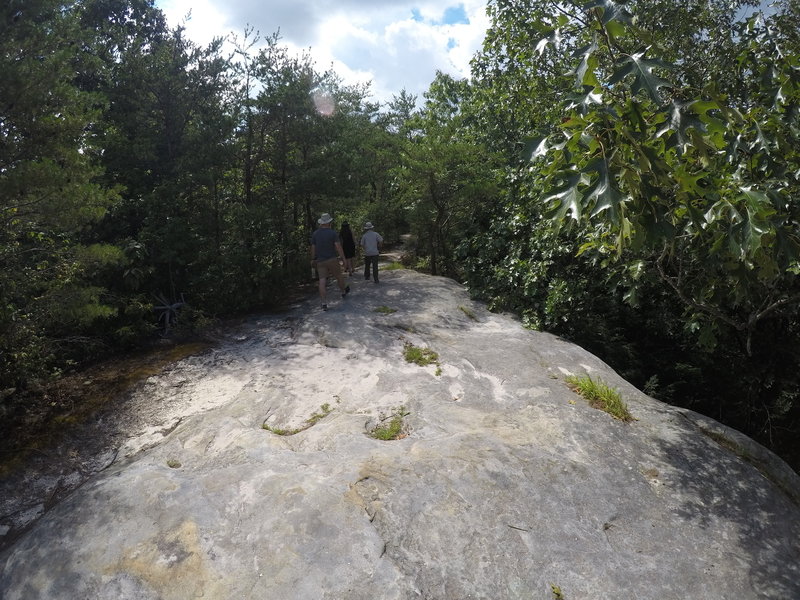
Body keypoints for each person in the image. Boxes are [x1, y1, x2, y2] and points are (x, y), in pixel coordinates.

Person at [311, 213, 349, 311]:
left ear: (321, 223)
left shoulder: (315, 234)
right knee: (339, 276)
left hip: (320, 261)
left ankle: (324, 303)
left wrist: (313, 259)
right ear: (329, 222)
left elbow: (313, 248)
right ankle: (343, 292)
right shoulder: (332, 233)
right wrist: (343, 258)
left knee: (322, 281)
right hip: (332, 259)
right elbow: (338, 247)